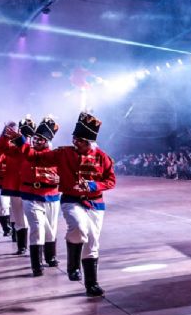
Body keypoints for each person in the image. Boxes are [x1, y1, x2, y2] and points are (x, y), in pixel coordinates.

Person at [9, 112, 116, 296]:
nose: (75, 142)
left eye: (79, 141)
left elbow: (111, 180)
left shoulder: (102, 158)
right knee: (79, 227)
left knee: (92, 242)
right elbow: (36, 157)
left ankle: (92, 284)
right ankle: (73, 266)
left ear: (89, 143)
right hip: (71, 200)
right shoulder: (64, 153)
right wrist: (21, 141)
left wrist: (94, 185)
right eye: (74, 139)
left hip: (95, 204)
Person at [17, 117, 62, 276]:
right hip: (31, 196)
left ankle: (51, 256)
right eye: (35, 138)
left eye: (40, 139)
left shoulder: (55, 155)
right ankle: (36, 265)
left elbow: (67, 173)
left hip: (51, 196)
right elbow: (21, 150)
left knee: (51, 229)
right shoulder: (25, 152)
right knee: (37, 228)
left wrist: (60, 179)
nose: (36, 141)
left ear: (47, 142)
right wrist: (18, 137)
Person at [0, 117, 36, 255]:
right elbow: (1, 149)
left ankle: (42, 250)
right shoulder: (13, 148)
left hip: (33, 189)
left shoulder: (37, 148)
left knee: (37, 221)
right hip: (16, 188)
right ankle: (22, 246)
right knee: (19, 218)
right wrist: (4, 135)